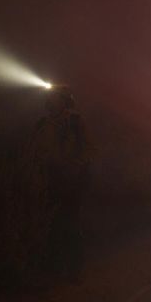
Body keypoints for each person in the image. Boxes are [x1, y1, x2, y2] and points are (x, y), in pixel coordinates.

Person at [30, 86, 93, 281]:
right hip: (49, 178)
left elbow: (89, 149)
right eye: (50, 98)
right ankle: (53, 269)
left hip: (72, 181)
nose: (51, 101)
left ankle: (75, 270)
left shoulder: (75, 122)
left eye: (55, 97)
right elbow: (33, 150)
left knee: (71, 224)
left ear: (65, 101)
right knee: (51, 225)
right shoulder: (42, 124)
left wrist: (76, 167)